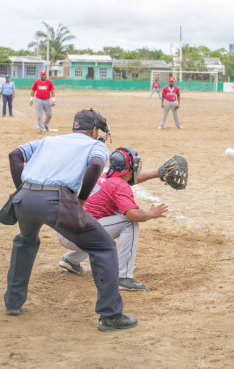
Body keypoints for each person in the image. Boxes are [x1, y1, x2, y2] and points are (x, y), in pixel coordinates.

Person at [4, 109, 138, 331]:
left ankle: (13, 302)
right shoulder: (95, 145)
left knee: (25, 241)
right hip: (57, 200)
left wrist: (21, 189)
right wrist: (82, 199)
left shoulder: (49, 140)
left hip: (24, 197)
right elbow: (96, 165)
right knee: (103, 247)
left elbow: (14, 155)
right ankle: (110, 315)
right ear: (94, 130)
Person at [57, 146, 169, 291]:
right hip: (79, 235)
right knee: (129, 222)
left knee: (106, 221)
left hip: (69, 232)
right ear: (127, 170)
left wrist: (157, 173)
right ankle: (123, 277)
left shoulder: (105, 175)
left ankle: (72, 259)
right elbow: (133, 214)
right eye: (133, 167)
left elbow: (130, 180)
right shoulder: (120, 185)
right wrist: (151, 214)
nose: (134, 170)